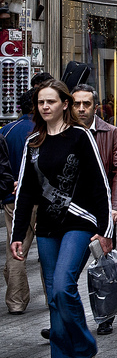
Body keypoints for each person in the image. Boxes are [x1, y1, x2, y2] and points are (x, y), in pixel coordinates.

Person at [10, 80, 112, 358]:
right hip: (48, 229)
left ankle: (84, 349)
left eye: (51, 102)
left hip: (80, 225)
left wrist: (106, 229)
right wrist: (17, 235)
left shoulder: (80, 136)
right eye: (41, 103)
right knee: (54, 298)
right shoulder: (33, 142)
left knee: (62, 287)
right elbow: (25, 194)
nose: (45, 107)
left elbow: (99, 184)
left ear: (64, 104)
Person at [71, 85, 117, 336]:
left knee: (103, 266)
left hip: (101, 212)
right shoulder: (61, 133)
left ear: (96, 106)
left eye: (86, 104)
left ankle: (106, 316)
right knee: (65, 271)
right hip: (70, 212)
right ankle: (62, 319)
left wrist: (116, 207)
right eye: (76, 104)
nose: (81, 109)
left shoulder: (110, 132)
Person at [2, 89, 33, 314]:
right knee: (50, 251)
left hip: (13, 199)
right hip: (43, 199)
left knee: (16, 247)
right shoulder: (44, 131)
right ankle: (55, 297)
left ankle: (16, 301)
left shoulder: (6, 130)